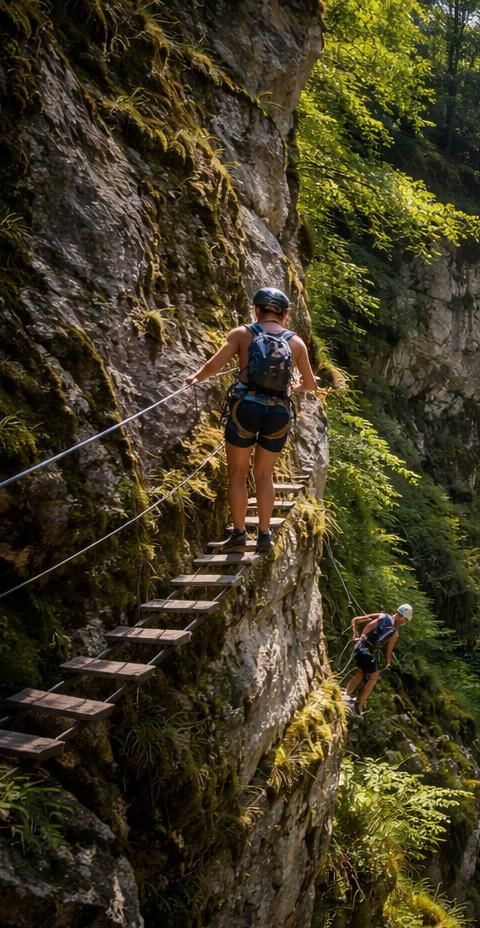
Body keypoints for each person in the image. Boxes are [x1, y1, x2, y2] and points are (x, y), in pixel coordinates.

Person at [188, 288, 318, 555]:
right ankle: (264, 534)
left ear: (256, 309)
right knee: (264, 474)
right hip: (278, 413)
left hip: (245, 407)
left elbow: (213, 366)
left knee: (237, 473)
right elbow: (311, 384)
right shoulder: (296, 343)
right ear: (284, 313)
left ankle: (238, 534)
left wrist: (194, 379)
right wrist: (293, 387)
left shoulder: (242, 334)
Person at [344, 604, 411, 715]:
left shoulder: (381, 616)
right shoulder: (395, 633)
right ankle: (359, 705)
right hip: (367, 653)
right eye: (405, 620)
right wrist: (388, 663)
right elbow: (389, 652)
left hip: (359, 649)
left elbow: (356, 620)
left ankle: (347, 693)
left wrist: (356, 636)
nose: (404, 622)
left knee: (361, 671)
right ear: (402, 617)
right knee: (373, 677)